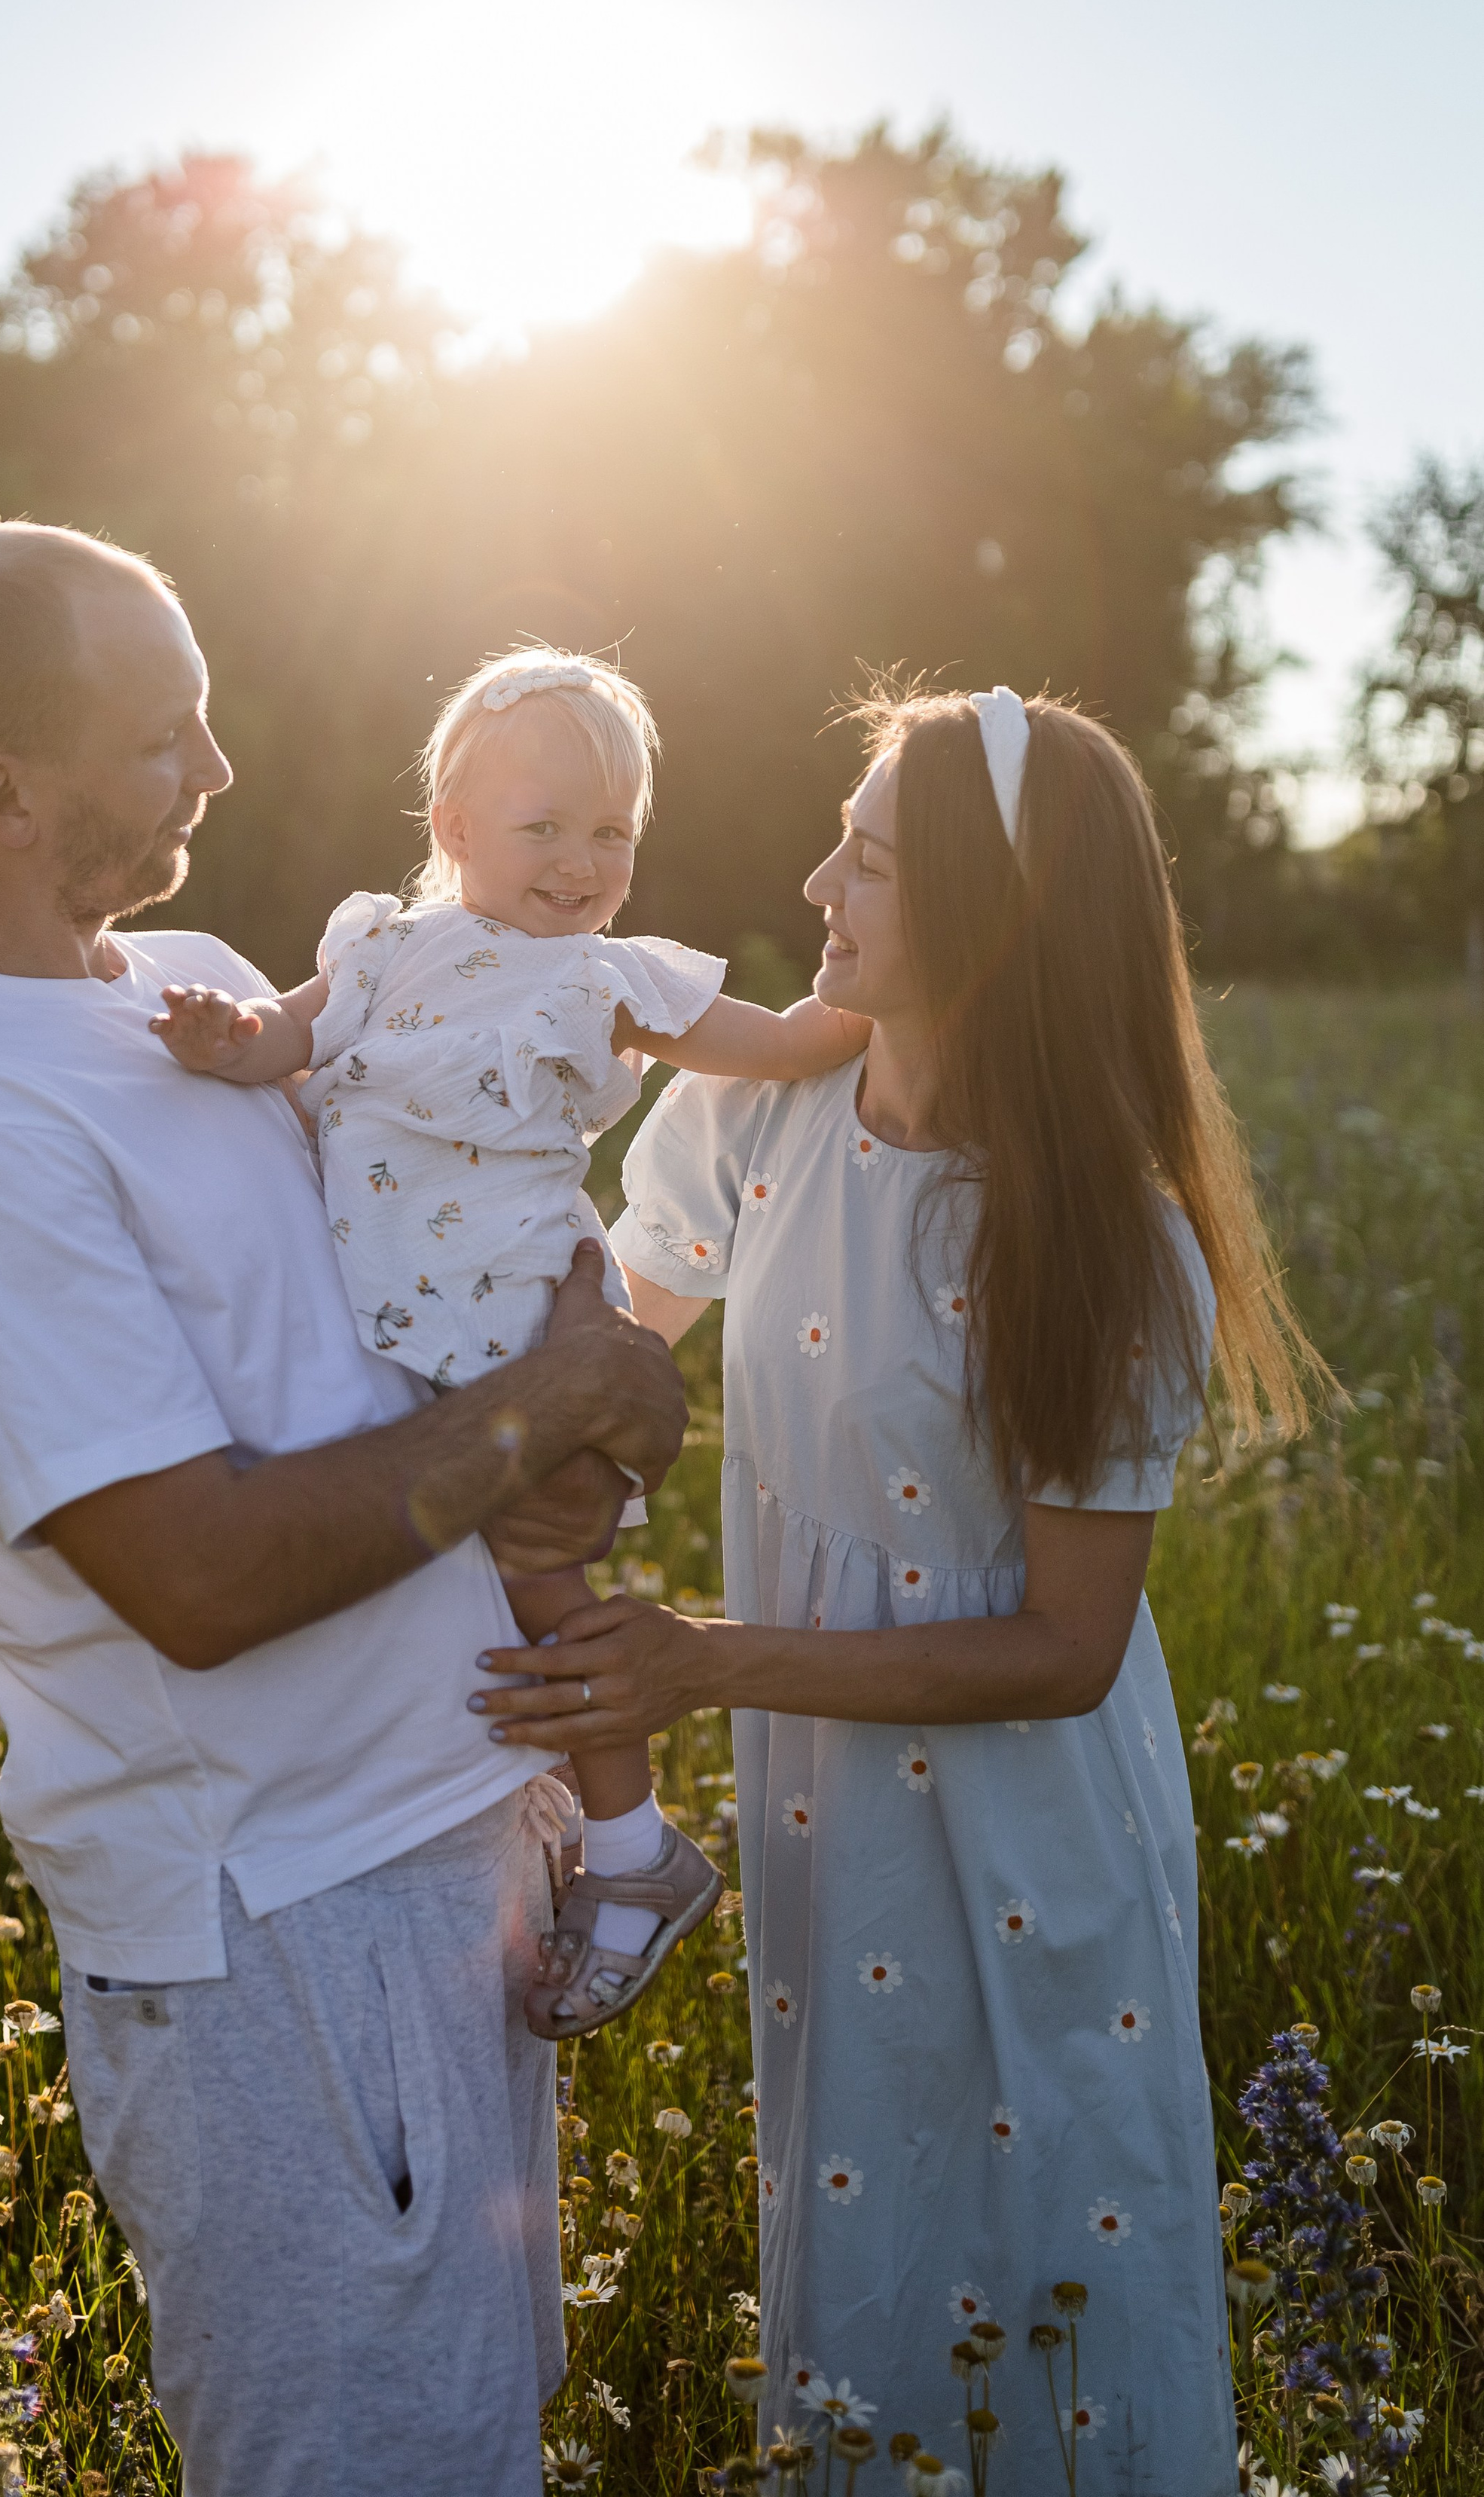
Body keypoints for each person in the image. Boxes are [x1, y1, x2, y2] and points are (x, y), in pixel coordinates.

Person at [0, 523, 691, 2497]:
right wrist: (566, 1392)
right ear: (5, 794)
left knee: (479, 2445)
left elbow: (407, 1305)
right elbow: (193, 1577)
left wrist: (573, 1372)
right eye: (163, 739)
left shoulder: (191, 988)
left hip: (444, 1853)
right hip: (284, 1934)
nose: (217, 773)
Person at [469, 686, 1322, 2485]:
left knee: (1058, 2237)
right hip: (826, 1796)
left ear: (986, 908)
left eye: (863, 855)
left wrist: (700, 1664)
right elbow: (601, 1362)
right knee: (864, 2229)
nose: (811, 881)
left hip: (1031, 1825)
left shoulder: (1098, 1236)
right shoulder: (757, 1123)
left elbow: (1066, 1650)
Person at [155, 646, 866, 2036]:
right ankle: (556, 1829)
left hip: (509, 1320)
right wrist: (215, 1034)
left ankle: (634, 1849)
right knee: (409, 1574)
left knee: (539, 1582)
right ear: (455, 833)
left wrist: (904, 985)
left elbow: (782, 1044)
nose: (580, 861)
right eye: (544, 827)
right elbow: (272, 1050)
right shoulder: (372, 947)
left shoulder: (607, 982)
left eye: (612, 833)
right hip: (383, 1337)